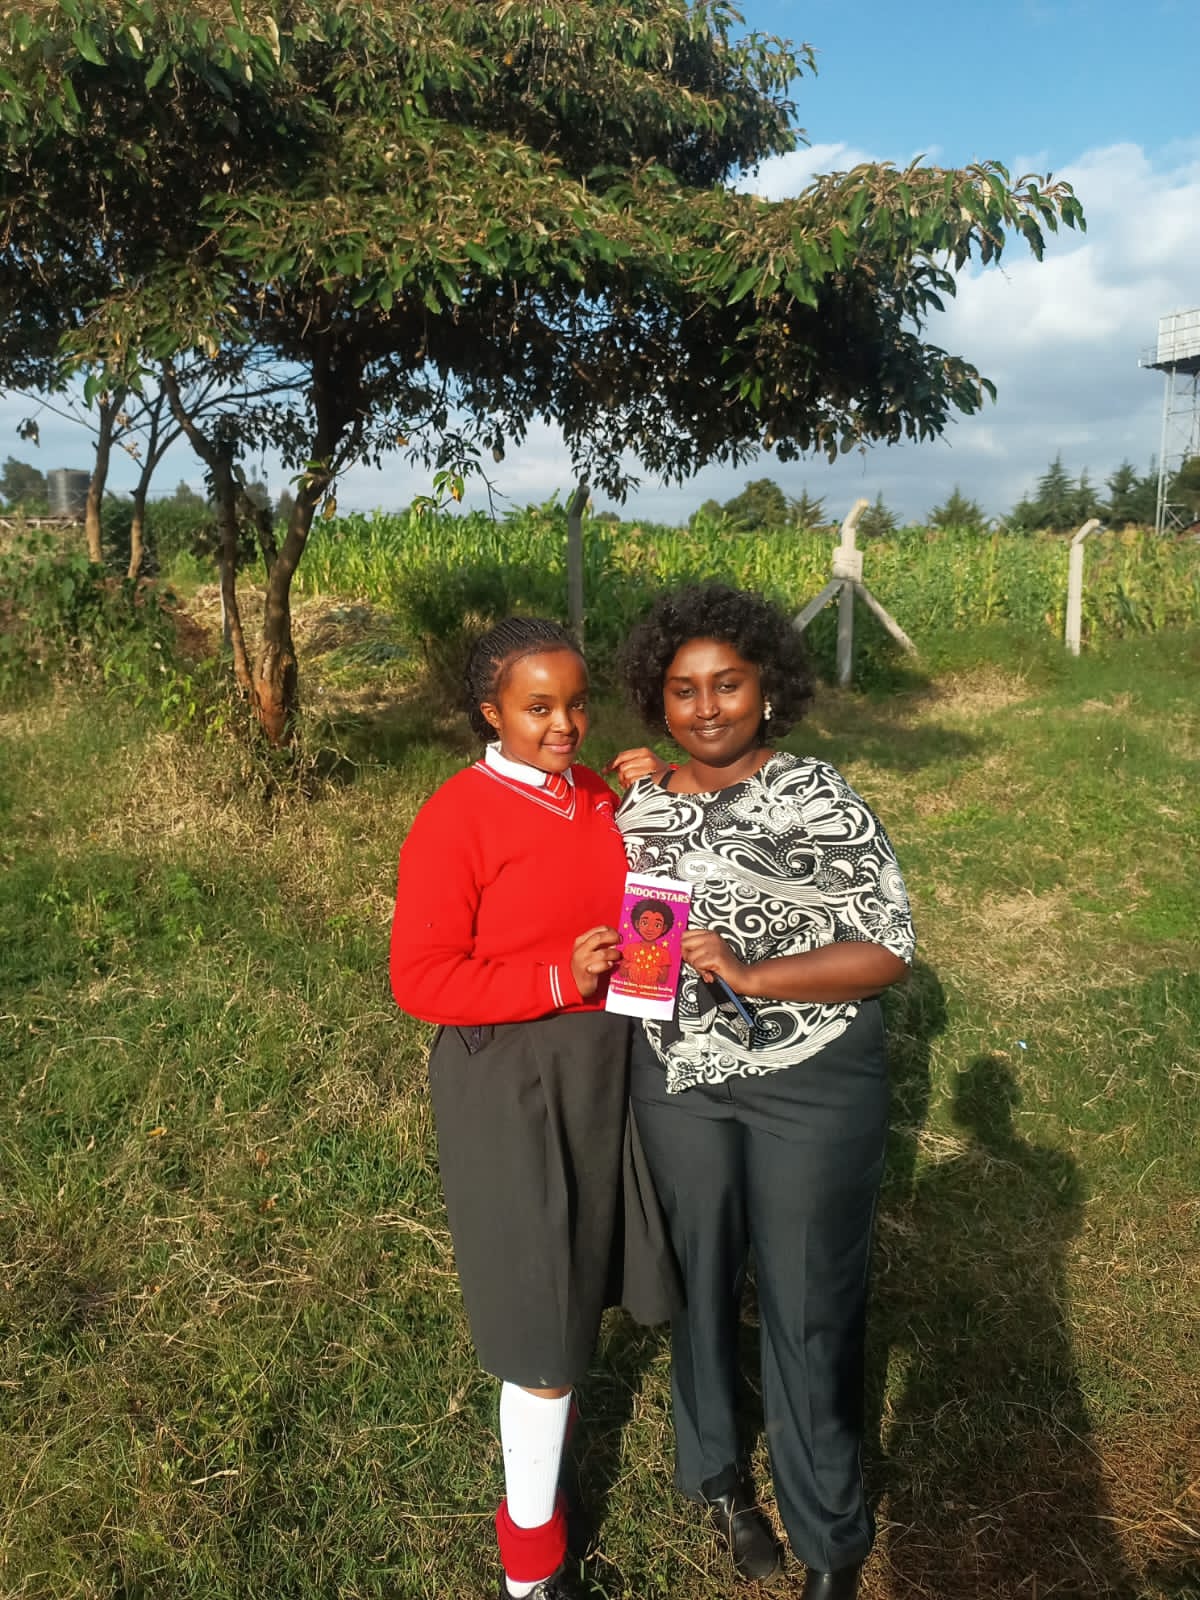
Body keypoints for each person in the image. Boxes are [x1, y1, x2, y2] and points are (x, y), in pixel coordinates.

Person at [616, 584, 916, 1600]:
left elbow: (884, 953)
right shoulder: (642, 802)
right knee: (700, 1280)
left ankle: (830, 1537)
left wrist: (749, 975)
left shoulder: (817, 795)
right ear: (659, 700)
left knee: (807, 1305)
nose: (707, 708)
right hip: (680, 1079)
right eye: (684, 689)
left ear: (767, 687)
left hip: (810, 1081)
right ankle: (718, 1481)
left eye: (727, 684)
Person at [389, 616, 673, 1600]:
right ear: (491, 712)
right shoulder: (456, 816)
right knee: (542, 1333)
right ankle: (531, 1565)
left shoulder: (593, 793)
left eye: (577, 703)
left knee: (584, 1290)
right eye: (538, 708)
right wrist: (555, 973)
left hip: (604, 1067)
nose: (565, 725)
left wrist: (650, 804)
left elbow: (647, 905)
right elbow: (420, 977)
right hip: (509, 1078)